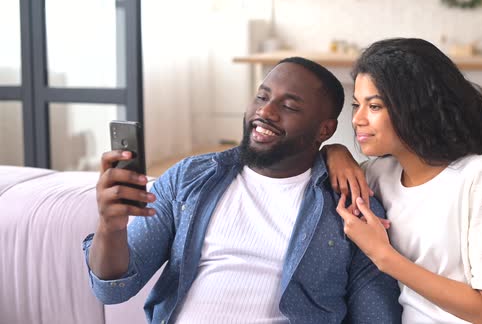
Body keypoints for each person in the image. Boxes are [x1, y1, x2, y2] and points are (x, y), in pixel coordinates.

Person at [83, 57, 402, 323]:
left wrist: (337, 152)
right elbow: (113, 289)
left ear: (325, 130)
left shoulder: (351, 205)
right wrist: (110, 227)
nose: (266, 111)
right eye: (262, 97)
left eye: (289, 106)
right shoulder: (189, 178)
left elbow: (376, 314)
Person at [323, 38, 482, 323]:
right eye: (357, 105)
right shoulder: (378, 176)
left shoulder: (481, 175)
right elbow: (326, 169)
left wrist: (383, 254)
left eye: (375, 106)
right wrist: (335, 151)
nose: (357, 119)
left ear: (415, 107)